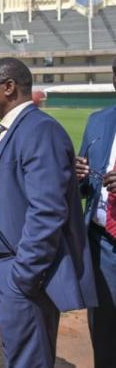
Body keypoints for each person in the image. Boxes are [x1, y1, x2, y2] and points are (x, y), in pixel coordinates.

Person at [0, 57, 97, 367]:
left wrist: (23, 276)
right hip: (0, 271)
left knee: (29, 360)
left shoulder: (39, 130)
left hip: (20, 275)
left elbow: (48, 212)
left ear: (8, 87)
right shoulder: (8, 130)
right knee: (19, 355)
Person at [75, 57, 116, 368]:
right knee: (103, 332)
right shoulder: (98, 121)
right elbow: (87, 187)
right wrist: (77, 178)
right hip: (101, 244)